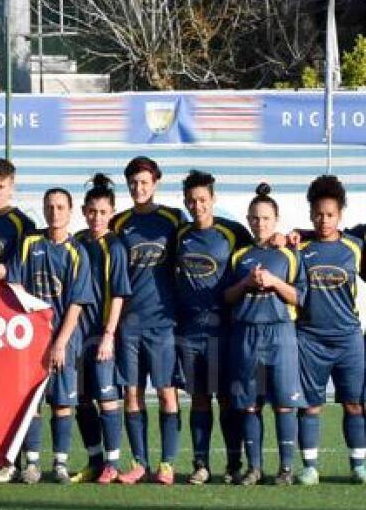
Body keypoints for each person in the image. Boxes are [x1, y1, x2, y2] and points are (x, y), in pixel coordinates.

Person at [0, 188, 93, 484]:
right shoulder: (29, 244)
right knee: (31, 401)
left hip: (64, 338)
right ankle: (32, 463)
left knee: (62, 401)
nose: (54, 212)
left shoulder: (78, 253)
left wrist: (60, 342)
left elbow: (76, 303)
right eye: (49, 206)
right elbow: (14, 283)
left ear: (70, 211)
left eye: (60, 207)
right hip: (32, 340)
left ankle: (60, 463)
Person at [224, 183, 307, 486]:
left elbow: (300, 297)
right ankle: (254, 468)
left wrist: (273, 282)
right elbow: (227, 297)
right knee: (249, 404)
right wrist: (246, 283)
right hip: (246, 335)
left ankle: (286, 468)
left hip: (280, 334)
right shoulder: (239, 256)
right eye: (255, 218)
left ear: (276, 219)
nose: (260, 224)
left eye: (266, 219)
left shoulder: (289, 255)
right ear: (248, 219)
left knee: (285, 403)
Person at [173, 170, 252, 485]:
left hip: (224, 330)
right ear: (185, 202)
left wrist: (282, 238)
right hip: (190, 331)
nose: (197, 206)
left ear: (213, 199)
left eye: (202, 199)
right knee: (199, 399)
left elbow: (259, 250)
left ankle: (234, 464)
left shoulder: (233, 233)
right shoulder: (180, 235)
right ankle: (201, 465)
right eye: (191, 200)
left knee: (228, 398)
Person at [111, 156, 186, 485]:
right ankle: (140, 462)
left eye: (144, 182)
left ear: (155, 183)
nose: (138, 188)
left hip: (163, 320)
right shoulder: (119, 223)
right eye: (133, 183)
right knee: (132, 393)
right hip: (129, 323)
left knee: (167, 393)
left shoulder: (173, 219)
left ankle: (167, 463)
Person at [294, 175, 366, 485]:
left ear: (340, 215)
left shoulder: (355, 247)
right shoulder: (300, 247)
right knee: (311, 405)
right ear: (310, 213)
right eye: (318, 214)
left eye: (330, 214)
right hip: (310, 339)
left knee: (354, 404)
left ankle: (359, 465)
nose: (324, 220)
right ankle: (310, 466)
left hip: (349, 338)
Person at [70, 174, 131, 485]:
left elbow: (119, 293)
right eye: (92, 211)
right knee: (80, 398)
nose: (96, 217)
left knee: (107, 398)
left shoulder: (116, 247)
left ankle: (112, 463)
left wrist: (109, 335)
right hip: (77, 334)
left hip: (102, 333)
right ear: (83, 211)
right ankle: (94, 460)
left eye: (103, 212)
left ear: (112, 213)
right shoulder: (78, 242)